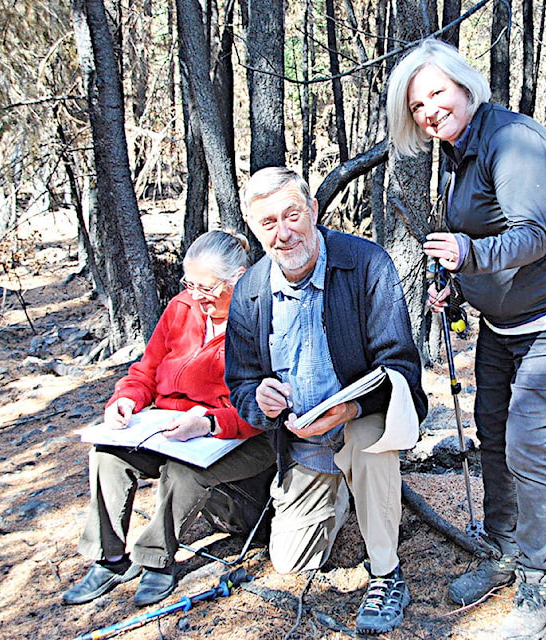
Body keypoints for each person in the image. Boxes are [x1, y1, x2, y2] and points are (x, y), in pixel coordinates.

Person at [386, 39, 546, 639]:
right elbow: (481, 239)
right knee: (492, 430)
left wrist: (469, 253)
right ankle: (506, 549)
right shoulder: (457, 154)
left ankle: (543, 582)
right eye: (417, 106)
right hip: (504, 324)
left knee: (530, 437)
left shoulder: (514, 141)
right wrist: (459, 287)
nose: (430, 110)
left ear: (465, 86)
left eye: (437, 93)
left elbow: (532, 235)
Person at [224, 166, 428, 635]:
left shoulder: (366, 265)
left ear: (313, 210)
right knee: (292, 561)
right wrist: (261, 400)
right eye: (268, 223)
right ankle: (340, 493)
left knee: (370, 441)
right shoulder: (251, 291)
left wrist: (353, 408)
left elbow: (401, 369)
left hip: (362, 421)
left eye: (292, 214)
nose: (283, 232)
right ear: (254, 230)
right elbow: (240, 384)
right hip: (303, 441)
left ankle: (386, 572)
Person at [62, 231, 276, 608]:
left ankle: (156, 560)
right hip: (168, 427)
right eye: (189, 283)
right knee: (108, 456)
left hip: (240, 436)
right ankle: (109, 559)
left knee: (183, 471)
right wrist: (126, 400)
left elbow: (263, 410)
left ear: (238, 279)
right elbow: (145, 371)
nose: (196, 295)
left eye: (206, 288)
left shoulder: (263, 320)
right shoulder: (181, 308)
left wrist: (209, 423)